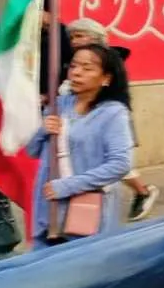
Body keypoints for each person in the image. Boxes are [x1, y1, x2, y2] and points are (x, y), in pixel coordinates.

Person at [27, 44, 133, 243]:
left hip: (87, 212)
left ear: (106, 78)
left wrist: (69, 185)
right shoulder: (59, 104)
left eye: (87, 68)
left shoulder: (113, 113)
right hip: (48, 209)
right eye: (73, 66)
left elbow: (121, 164)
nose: (76, 72)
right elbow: (32, 151)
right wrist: (43, 130)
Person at [64, 18, 159, 220]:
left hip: (105, 123)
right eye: (72, 36)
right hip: (81, 124)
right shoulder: (74, 63)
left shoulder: (109, 64)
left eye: (80, 35)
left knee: (113, 165)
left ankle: (143, 192)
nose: (74, 41)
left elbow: (119, 163)